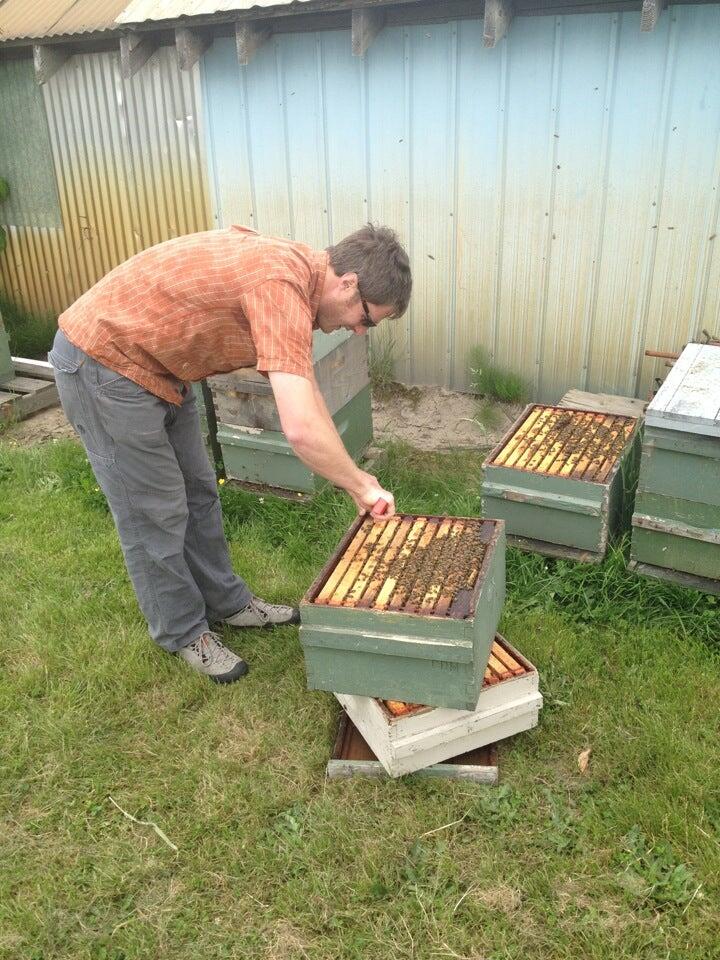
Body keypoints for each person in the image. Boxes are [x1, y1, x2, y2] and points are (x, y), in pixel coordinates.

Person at [49, 224, 412, 684]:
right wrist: (359, 484)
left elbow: (308, 396)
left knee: (200, 492)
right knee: (154, 511)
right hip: (104, 362)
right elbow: (299, 427)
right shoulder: (280, 286)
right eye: (367, 319)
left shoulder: (300, 277)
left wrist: (355, 478)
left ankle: (227, 602)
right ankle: (181, 630)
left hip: (161, 366)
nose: (360, 331)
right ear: (349, 283)